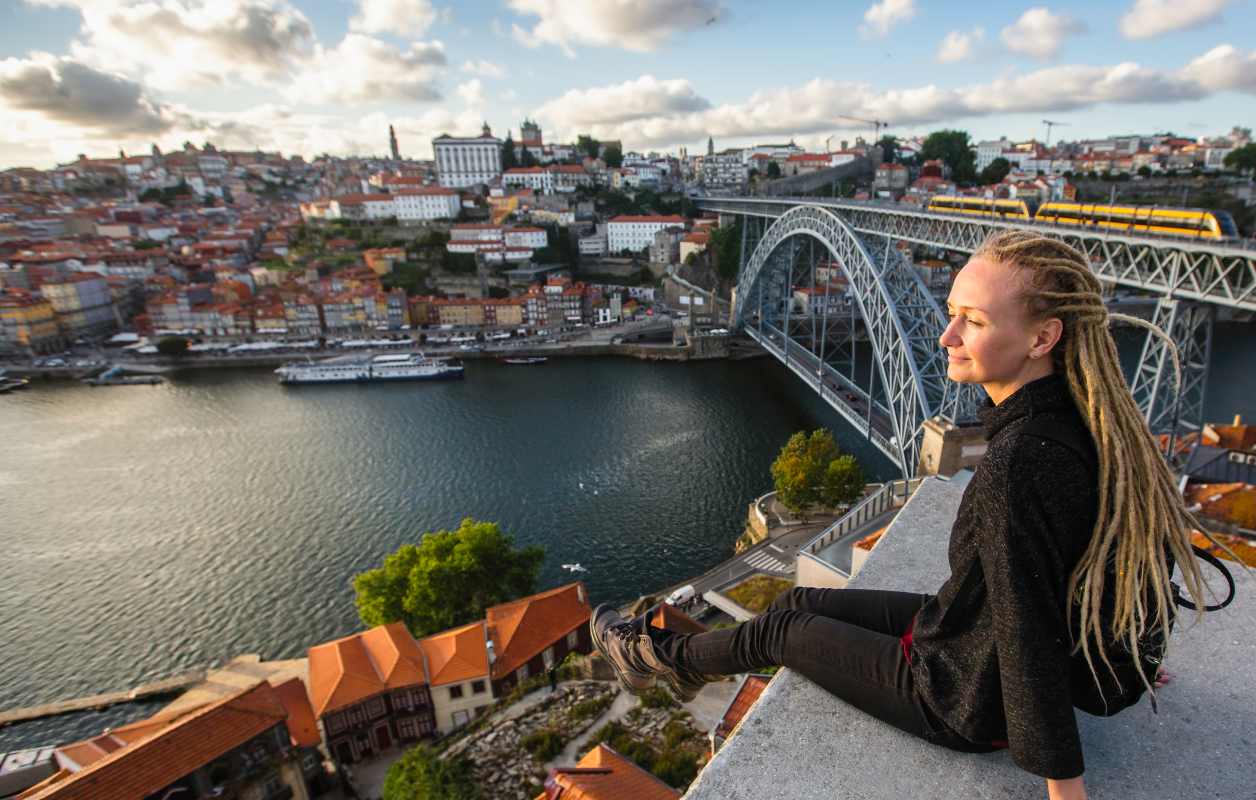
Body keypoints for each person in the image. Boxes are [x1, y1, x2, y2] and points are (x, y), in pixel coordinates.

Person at [591, 231, 1220, 800]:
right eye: (951, 315)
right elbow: (1107, 555)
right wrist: (1118, 660)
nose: (946, 338)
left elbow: (1027, 630)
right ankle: (683, 671)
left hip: (964, 698)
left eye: (971, 322)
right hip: (968, 636)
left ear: (1043, 337)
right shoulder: (1088, 423)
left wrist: (1066, 789)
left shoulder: (1018, 464)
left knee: (778, 634)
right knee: (788, 607)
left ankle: (650, 657)